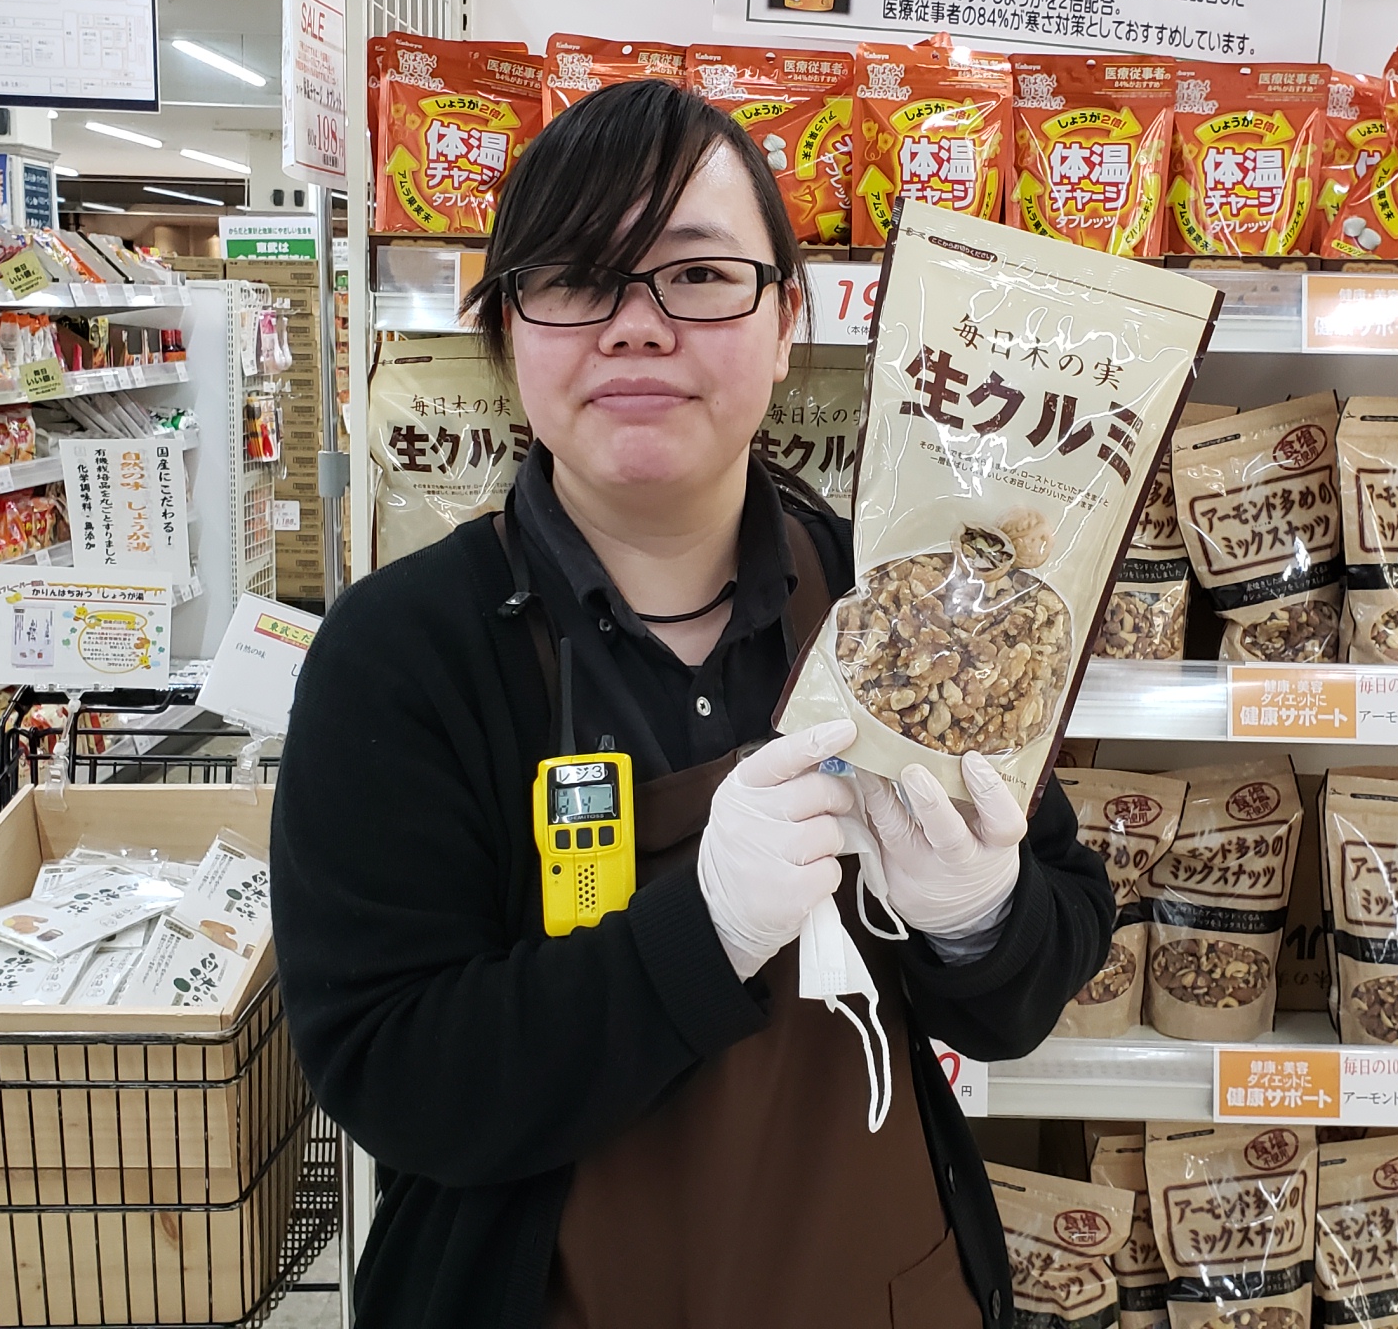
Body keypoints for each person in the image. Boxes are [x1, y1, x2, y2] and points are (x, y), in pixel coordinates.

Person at [271, 77, 1112, 1329]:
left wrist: (979, 919)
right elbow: (392, 1074)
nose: (635, 326)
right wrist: (700, 933)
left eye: (700, 275)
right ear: (508, 328)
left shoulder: (901, 608)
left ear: (786, 321)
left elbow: (1026, 994)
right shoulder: (400, 653)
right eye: (574, 278)